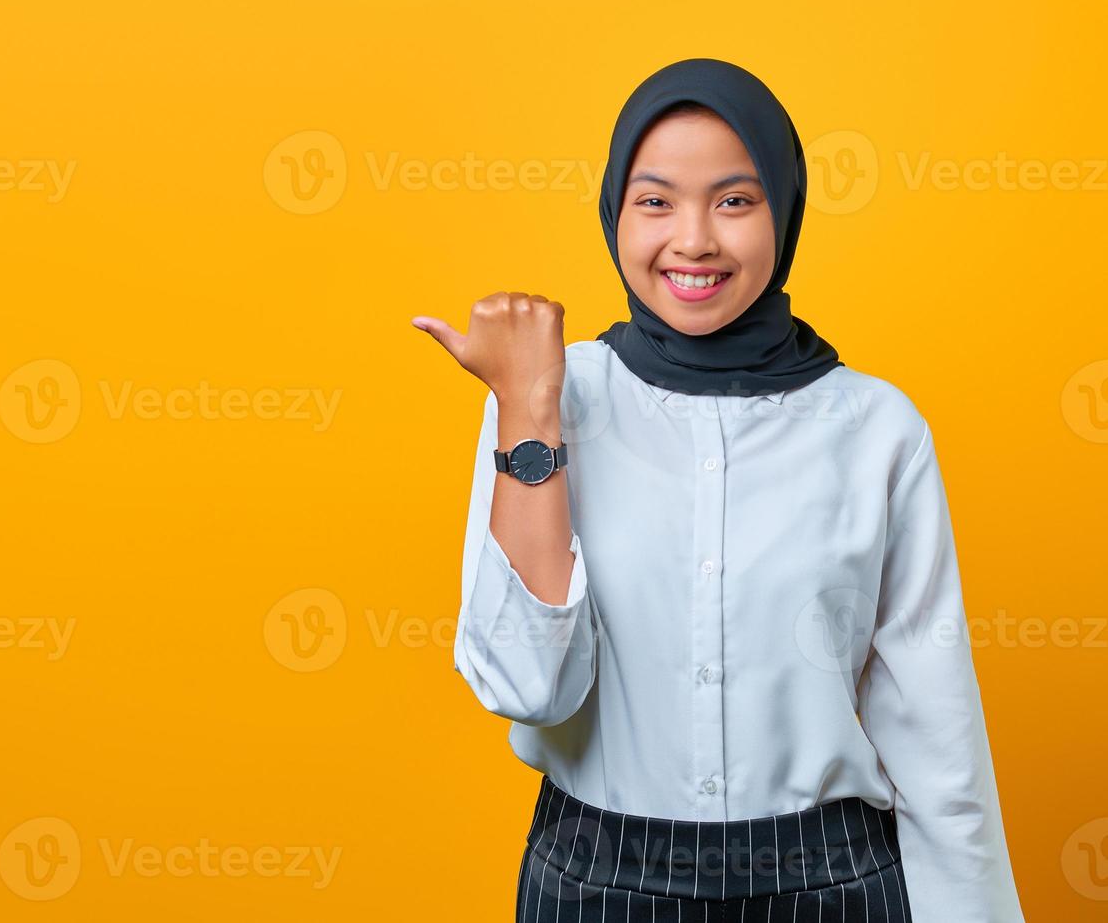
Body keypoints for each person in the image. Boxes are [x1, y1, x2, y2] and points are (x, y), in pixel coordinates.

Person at [412, 58, 1025, 922]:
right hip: (594, 883)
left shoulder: (876, 426)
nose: (693, 240)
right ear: (613, 214)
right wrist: (526, 405)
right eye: (655, 200)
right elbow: (525, 687)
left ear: (784, 209)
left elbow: (933, 724)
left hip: (829, 881)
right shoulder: (550, 395)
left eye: (734, 200)